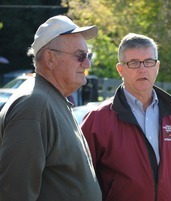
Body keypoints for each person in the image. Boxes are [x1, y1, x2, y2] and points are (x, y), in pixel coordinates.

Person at [81, 33, 171, 201]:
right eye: (134, 63)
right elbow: (81, 181)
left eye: (149, 62)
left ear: (157, 66)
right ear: (120, 69)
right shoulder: (98, 120)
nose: (143, 69)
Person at [0, 15, 102, 201]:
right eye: (80, 56)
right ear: (50, 58)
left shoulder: (50, 99)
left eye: (88, 56)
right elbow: (14, 193)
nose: (87, 64)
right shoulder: (33, 105)